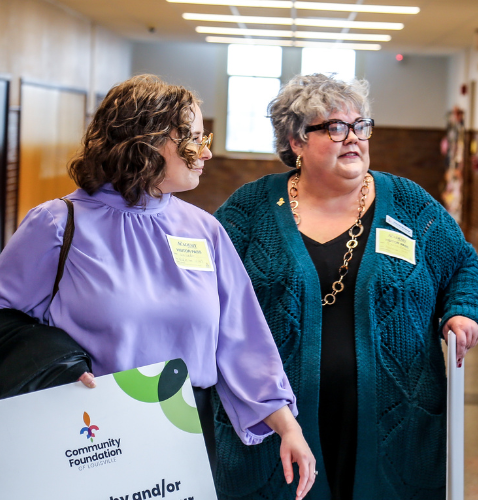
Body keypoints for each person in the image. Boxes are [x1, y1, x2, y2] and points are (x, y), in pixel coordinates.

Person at [0, 75, 316, 500]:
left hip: (184, 433)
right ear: (145, 142)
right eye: (192, 139)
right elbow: (5, 320)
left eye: (205, 139)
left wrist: (288, 427)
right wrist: (58, 367)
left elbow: (242, 338)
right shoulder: (58, 224)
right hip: (87, 431)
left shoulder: (204, 230)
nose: (206, 153)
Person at [212, 73, 478, 500]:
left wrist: (463, 312)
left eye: (361, 125)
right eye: (336, 128)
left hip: (396, 422)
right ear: (297, 141)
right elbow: (205, 287)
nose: (354, 138)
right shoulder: (251, 210)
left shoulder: (408, 203)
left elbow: (463, 265)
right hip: (278, 424)